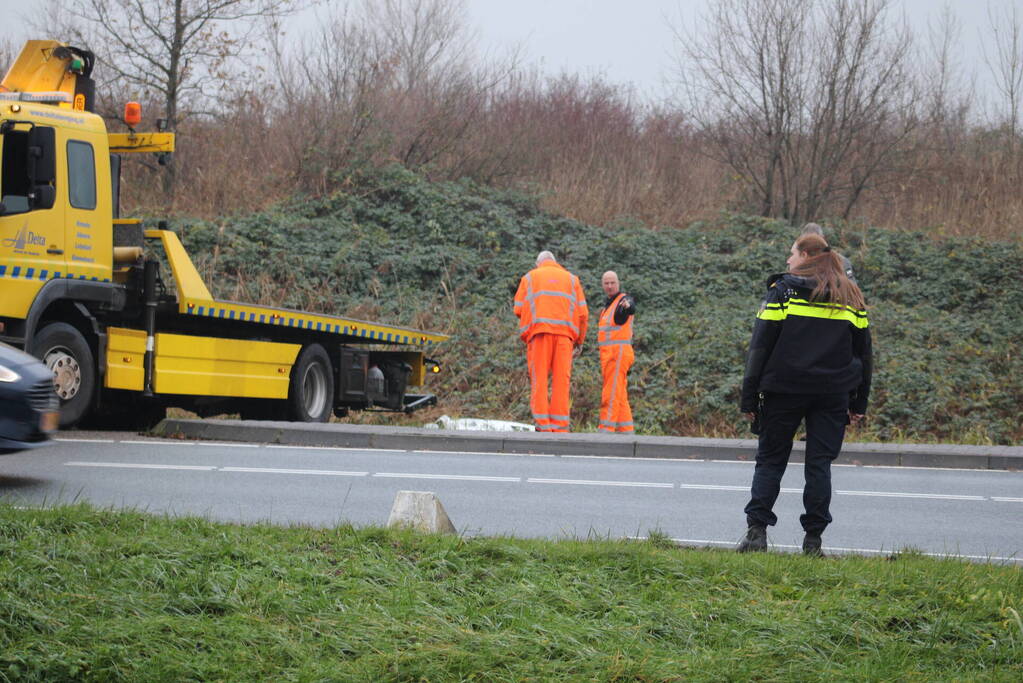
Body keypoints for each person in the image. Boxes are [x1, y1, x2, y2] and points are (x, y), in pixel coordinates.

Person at [737, 233, 872, 556]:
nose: (788, 260)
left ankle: (757, 534)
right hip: (833, 393)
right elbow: (864, 353)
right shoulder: (850, 295)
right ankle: (813, 541)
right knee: (819, 465)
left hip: (784, 389)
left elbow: (760, 346)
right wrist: (859, 402)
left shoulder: (783, 291)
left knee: (770, 460)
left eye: (792, 253)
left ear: (807, 255)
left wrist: (749, 397)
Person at [513, 250, 588, 432]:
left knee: (539, 380)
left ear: (539, 263)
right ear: (555, 262)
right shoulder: (572, 280)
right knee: (561, 381)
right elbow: (583, 314)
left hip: (539, 335)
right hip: (565, 338)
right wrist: (579, 340)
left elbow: (518, 309)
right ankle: (560, 425)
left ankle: (543, 425)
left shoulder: (530, 278)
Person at [597, 270, 636, 433]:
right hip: (611, 356)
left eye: (612, 282)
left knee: (611, 394)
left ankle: (605, 432)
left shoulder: (622, 301)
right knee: (619, 395)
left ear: (618, 283)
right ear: (602, 285)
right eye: (606, 283)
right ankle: (627, 433)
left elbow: (630, 307)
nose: (610, 286)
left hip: (617, 354)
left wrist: (629, 306)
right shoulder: (608, 306)